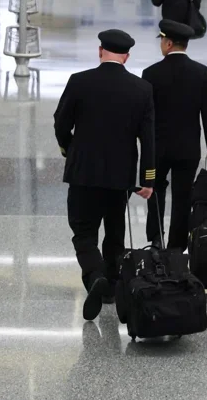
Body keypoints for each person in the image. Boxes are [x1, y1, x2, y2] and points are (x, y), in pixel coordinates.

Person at [54, 29, 155, 321]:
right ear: (127, 57)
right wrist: (147, 178)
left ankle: (94, 274)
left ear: (100, 51)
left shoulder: (79, 81)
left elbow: (61, 122)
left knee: (83, 231)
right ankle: (110, 285)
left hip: (83, 172)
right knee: (114, 231)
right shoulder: (142, 89)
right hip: (120, 176)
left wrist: (69, 149)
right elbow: (148, 138)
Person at [142, 19, 207, 251]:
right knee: (183, 196)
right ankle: (177, 247)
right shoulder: (203, 73)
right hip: (188, 148)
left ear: (168, 44)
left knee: (155, 190)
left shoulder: (150, 74)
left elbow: (145, 115)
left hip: (158, 148)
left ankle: (156, 238)